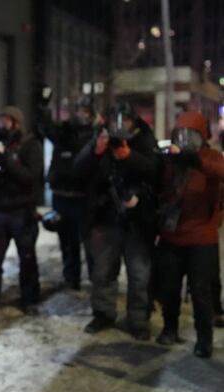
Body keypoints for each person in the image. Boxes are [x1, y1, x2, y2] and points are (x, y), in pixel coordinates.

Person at [73, 102, 159, 340]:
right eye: (116, 122)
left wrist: (130, 157)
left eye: (126, 121)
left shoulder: (144, 140)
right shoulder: (101, 139)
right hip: (105, 219)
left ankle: (139, 319)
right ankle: (103, 313)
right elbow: (78, 169)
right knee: (103, 272)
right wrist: (96, 150)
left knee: (139, 274)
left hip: (137, 221)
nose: (121, 127)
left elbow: (155, 172)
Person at [154, 111, 224, 358]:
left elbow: (220, 171)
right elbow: (157, 185)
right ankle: (169, 328)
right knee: (170, 288)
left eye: (191, 135)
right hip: (172, 236)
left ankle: (204, 339)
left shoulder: (211, 157)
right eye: (181, 135)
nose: (185, 140)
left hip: (201, 238)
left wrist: (198, 162)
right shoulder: (171, 161)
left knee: (201, 292)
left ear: (202, 137)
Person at [0, 106, 44, 314]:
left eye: (6, 121)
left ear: (17, 123)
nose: (2, 125)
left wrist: (5, 160)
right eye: (0, 121)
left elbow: (29, 177)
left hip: (22, 211)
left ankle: (30, 299)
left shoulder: (30, 146)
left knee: (27, 258)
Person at [41, 96, 101, 290]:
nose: (81, 114)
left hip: (84, 197)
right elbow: (48, 129)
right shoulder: (66, 132)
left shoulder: (95, 134)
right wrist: (42, 108)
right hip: (63, 194)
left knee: (91, 243)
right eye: (79, 110)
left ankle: (96, 280)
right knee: (67, 241)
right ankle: (71, 277)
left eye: (85, 111)